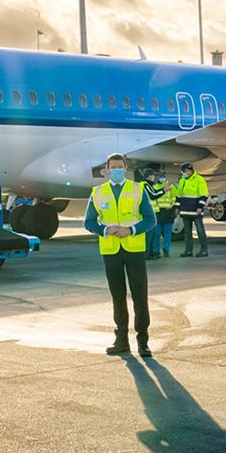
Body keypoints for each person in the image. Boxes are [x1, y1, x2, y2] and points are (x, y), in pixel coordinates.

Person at [84, 153, 156, 357]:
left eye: (119, 167)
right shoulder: (98, 192)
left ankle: (143, 342)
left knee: (140, 296)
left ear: (125, 169)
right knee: (117, 297)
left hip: (134, 248)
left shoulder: (137, 189)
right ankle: (121, 340)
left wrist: (131, 230)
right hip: (111, 251)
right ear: (107, 170)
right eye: (112, 167)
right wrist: (105, 230)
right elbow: (89, 222)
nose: (116, 170)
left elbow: (150, 220)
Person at [175, 161, 210, 257]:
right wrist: (177, 207)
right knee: (187, 233)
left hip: (196, 211)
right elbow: (179, 195)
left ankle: (204, 250)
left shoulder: (199, 179)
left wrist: (200, 207)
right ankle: (188, 251)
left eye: (188, 170)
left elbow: (204, 194)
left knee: (200, 231)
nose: (187, 172)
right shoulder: (182, 181)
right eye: (185, 171)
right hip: (185, 211)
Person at [141, 168, 169, 260]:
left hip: (151, 213)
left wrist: (162, 190)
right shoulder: (144, 184)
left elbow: (154, 193)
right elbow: (153, 195)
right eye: (153, 175)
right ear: (149, 176)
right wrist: (164, 190)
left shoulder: (148, 185)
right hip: (147, 214)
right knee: (148, 235)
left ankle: (150, 252)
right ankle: (147, 254)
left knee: (152, 234)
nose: (154, 177)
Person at [150, 168, 177, 258]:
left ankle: (166, 250)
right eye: (160, 175)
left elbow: (175, 198)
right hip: (158, 213)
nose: (161, 177)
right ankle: (156, 251)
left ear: (165, 176)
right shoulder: (155, 187)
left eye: (163, 175)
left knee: (167, 234)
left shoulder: (171, 186)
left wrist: (173, 208)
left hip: (168, 212)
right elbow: (153, 201)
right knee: (156, 234)